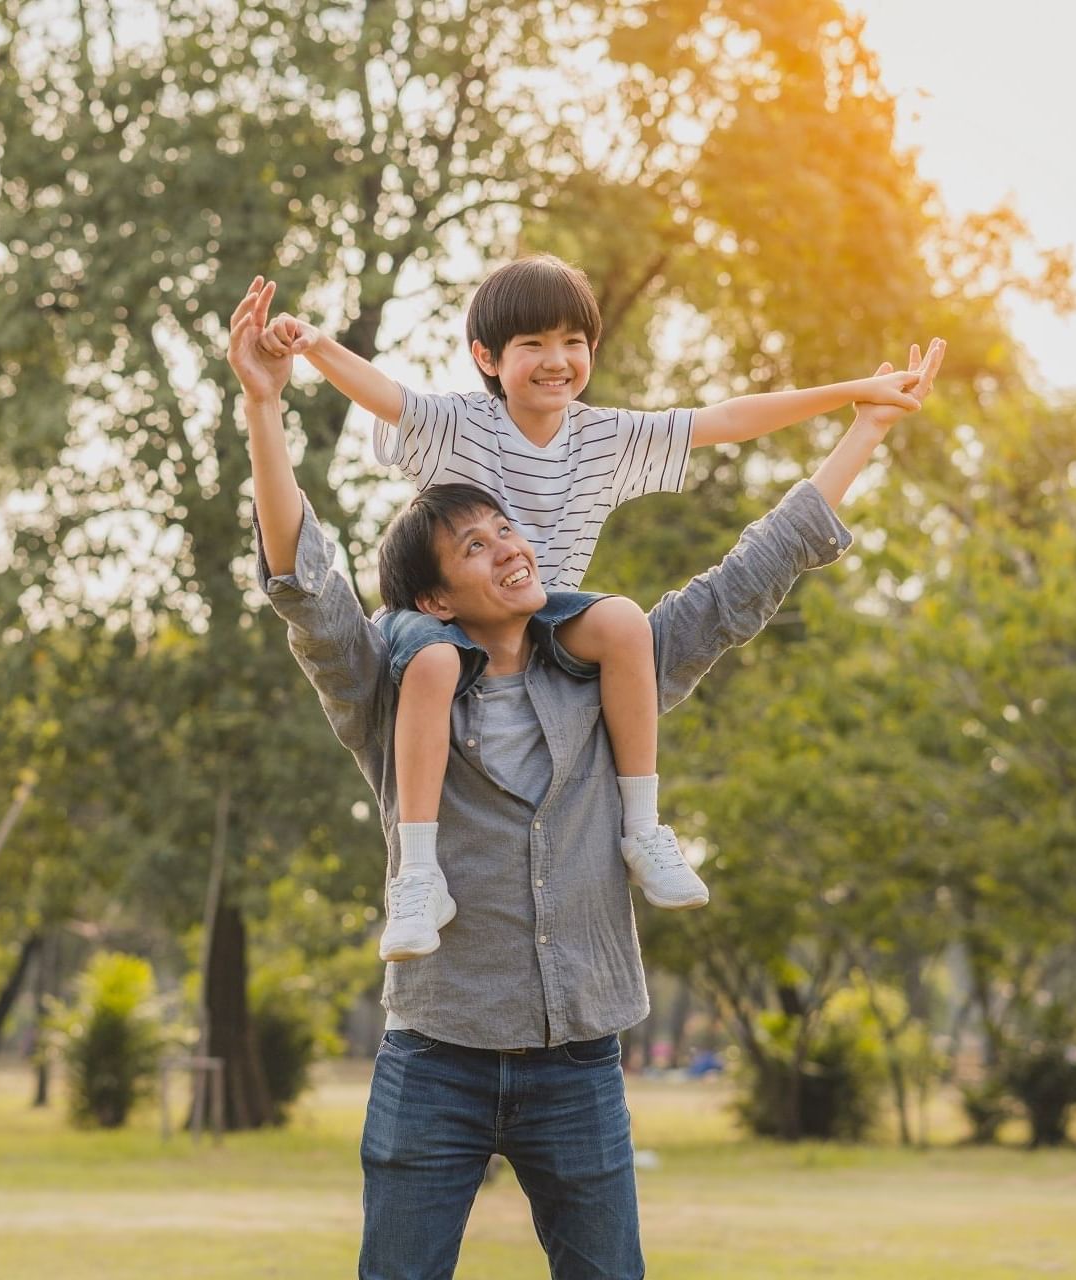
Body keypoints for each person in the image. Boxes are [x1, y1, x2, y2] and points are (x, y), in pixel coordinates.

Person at [227, 274, 944, 1279]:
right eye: (472, 543)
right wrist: (266, 403)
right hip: (437, 1056)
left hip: (580, 1062)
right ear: (434, 595)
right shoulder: (394, 688)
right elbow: (305, 583)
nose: (509, 544)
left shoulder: (613, 678)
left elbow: (754, 574)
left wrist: (864, 424)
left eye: (506, 529)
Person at [257, 254, 927, 960]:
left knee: (622, 622)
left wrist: (854, 395)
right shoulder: (460, 424)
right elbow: (385, 395)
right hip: (435, 616)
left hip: (544, 612)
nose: (556, 360)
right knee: (429, 663)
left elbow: (728, 419)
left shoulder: (604, 438)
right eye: (533, 345)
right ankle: (419, 872)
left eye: (572, 342)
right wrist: (314, 346)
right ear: (486, 357)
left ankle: (641, 827)